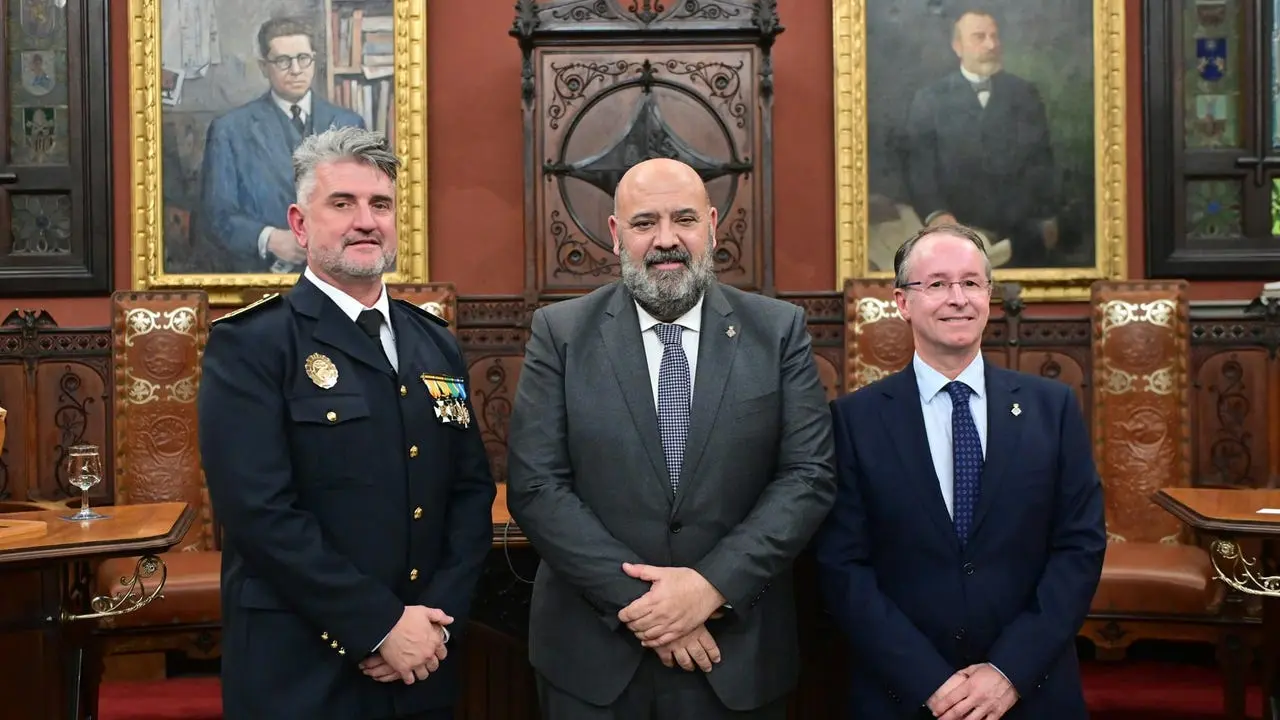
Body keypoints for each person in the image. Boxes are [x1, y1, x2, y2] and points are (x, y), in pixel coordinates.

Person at [505, 157, 837, 719]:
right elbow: (537, 486)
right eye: (644, 223)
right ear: (616, 235)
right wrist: (653, 608)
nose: (666, 240)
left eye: (683, 219)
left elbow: (808, 477)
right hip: (593, 662)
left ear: (712, 224)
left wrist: (710, 587)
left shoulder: (778, 331)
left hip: (736, 655)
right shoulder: (560, 334)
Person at [198, 126, 496, 720]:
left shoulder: (433, 342)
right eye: (343, 203)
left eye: (380, 204)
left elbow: (469, 493)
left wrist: (438, 623)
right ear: (300, 224)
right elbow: (259, 515)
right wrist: (379, 625)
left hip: (423, 662)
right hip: (303, 667)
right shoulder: (254, 344)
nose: (366, 220)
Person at [814, 224, 1105, 719]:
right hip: (902, 694)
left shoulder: (1051, 409)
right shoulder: (854, 420)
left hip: (1030, 690)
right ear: (903, 302)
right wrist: (929, 681)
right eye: (937, 283)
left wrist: (1008, 672)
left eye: (972, 283)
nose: (958, 298)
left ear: (989, 296)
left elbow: (1080, 547)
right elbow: (843, 568)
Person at [199, 16, 365, 273]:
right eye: (283, 61)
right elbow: (215, 218)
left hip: (338, 276)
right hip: (259, 278)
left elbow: (366, 204)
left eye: (303, 58)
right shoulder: (230, 130)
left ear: (314, 59)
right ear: (264, 67)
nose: (296, 69)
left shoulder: (350, 124)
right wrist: (270, 238)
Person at [902, 9, 1059, 268]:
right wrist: (937, 214)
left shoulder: (1025, 94)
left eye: (994, 37)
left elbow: (1042, 161)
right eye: (980, 37)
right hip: (958, 236)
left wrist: (1047, 217)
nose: (991, 45)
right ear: (957, 46)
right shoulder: (930, 99)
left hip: (1022, 237)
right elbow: (920, 168)